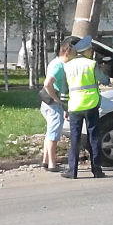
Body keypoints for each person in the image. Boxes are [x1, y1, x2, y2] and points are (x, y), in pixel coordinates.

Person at [61, 35, 109, 179]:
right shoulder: (91, 64)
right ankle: (97, 170)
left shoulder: (67, 66)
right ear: (86, 51)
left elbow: (64, 91)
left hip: (74, 106)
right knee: (93, 137)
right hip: (91, 105)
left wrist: (65, 109)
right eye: (90, 49)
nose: (92, 51)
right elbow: (105, 80)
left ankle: (72, 171)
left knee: (74, 139)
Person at [40, 40, 75, 172]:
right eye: (74, 54)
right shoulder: (60, 66)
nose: (75, 57)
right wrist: (57, 99)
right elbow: (47, 83)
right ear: (67, 52)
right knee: (53, 135)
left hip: (46, 103)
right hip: (53, 104)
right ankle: (52, 165)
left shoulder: (54, 62)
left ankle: (45, 161)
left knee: (49, 133)